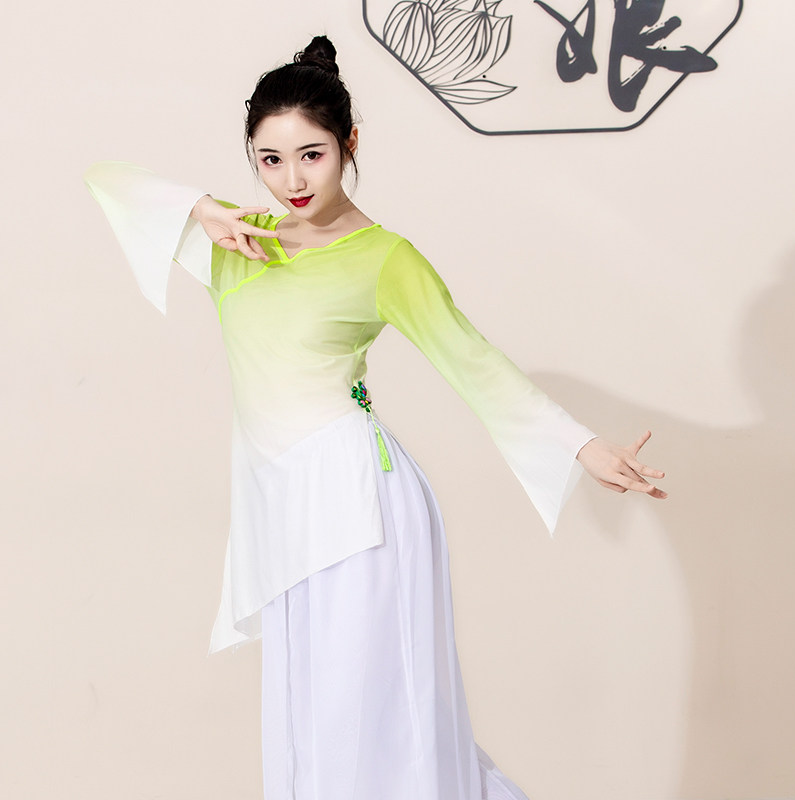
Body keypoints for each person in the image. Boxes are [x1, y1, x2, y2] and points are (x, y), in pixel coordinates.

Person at [84, 34, 665, 800]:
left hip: (361, 505)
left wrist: (581, 445)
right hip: (282, 512)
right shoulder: (238, 241)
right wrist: (201, 207)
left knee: (381, 724)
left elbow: (472, 360)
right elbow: (106, 180)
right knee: (313, 726)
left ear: (350, 144)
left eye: (312, 155)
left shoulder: (385, 257)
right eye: (270, 159)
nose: (292, 179)